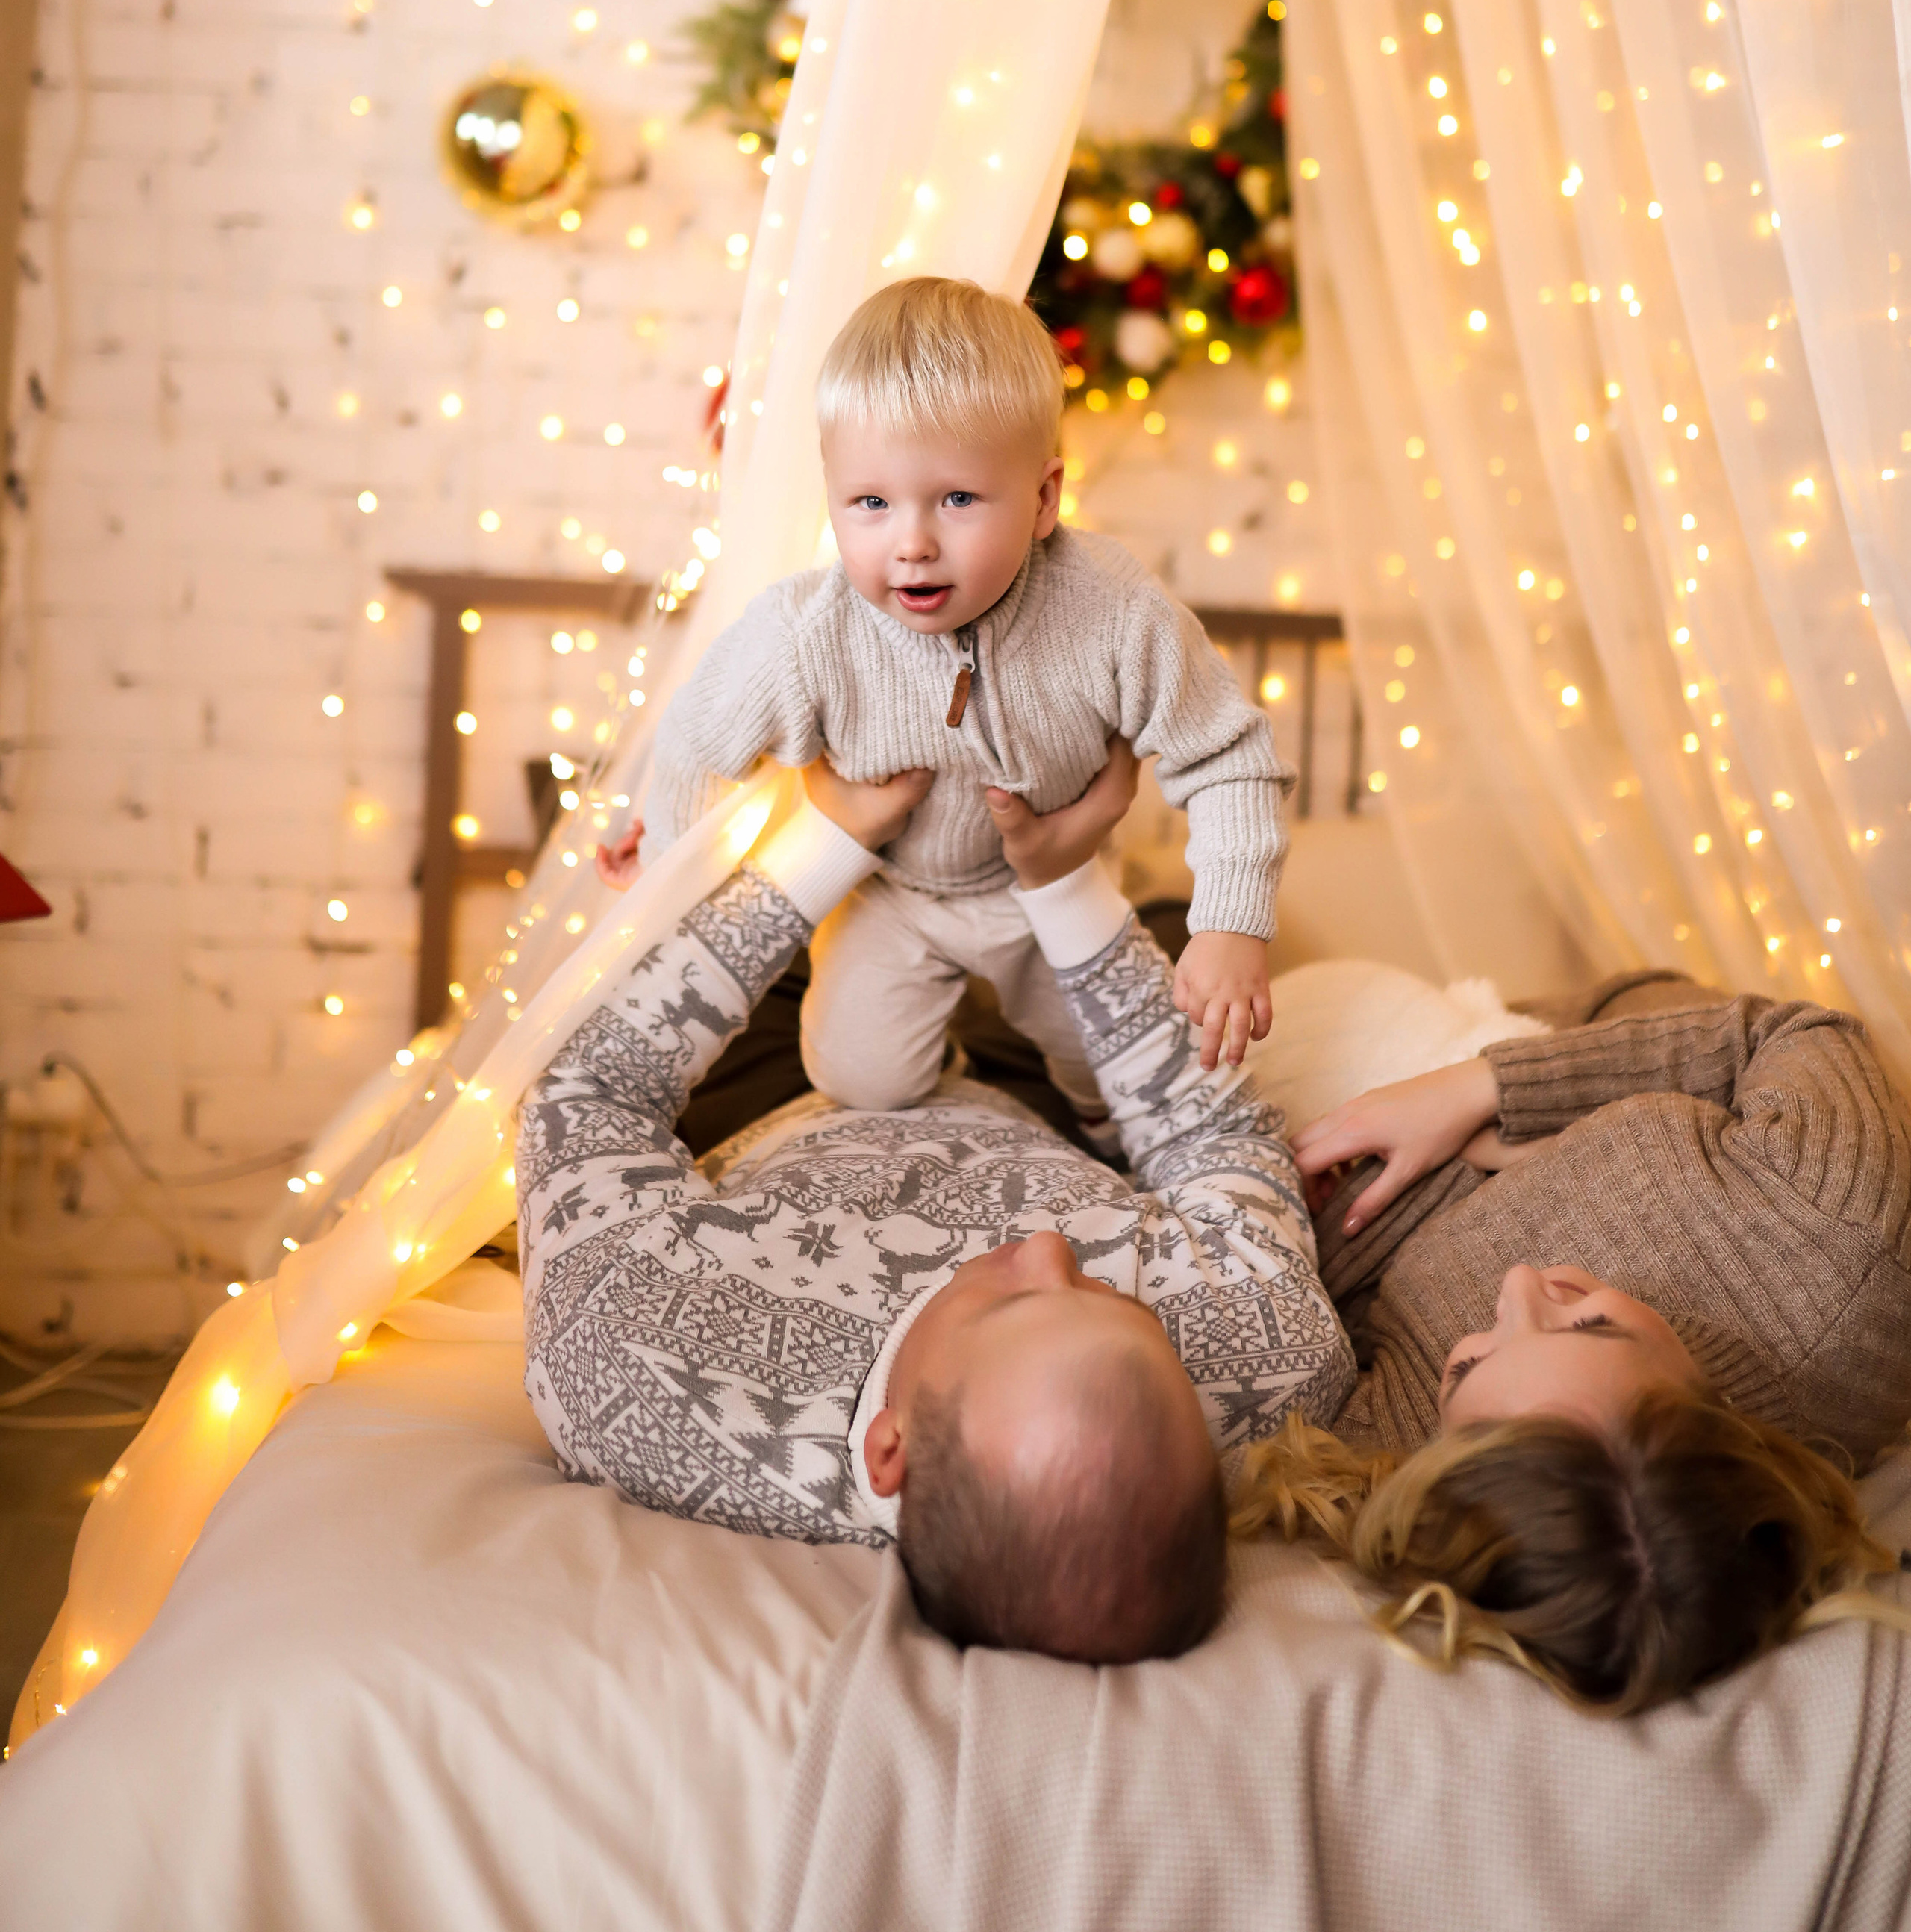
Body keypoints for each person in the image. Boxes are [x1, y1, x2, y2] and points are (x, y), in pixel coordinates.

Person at [517, 747, 1352, 1667]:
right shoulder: (1268, 1361)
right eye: (1112, 1293)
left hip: (776, 1101)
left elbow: (589, 1090)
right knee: (1168, 934)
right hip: (1043, 1108)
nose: (1044, 1244)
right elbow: (1220, 1137)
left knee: (729, 861)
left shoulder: (639, 1358)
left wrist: (827, 843)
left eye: (1012, 1300)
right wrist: (1064, 882)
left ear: (888, 1449)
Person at [617, 277, 1292, 1124]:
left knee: (1110, 1077)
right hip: (893, 894)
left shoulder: (1112, 612)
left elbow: (1228, 755)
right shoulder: (804, 634)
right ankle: (950, 1067)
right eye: (869, 503)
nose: (912, 545)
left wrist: (1231, 925)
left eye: (958, 500)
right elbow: (696, 742)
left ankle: (1090, 1124)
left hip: (1052, 887)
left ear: (1044, 498)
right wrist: (667, 872)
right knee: (861, 1081)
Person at [1229, 974, 1911, 1712]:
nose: (1518, 1284)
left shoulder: (1383, 1448)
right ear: (1721, 1417)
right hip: (1536, 1017)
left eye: (1471, 1361)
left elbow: (1300, 1301)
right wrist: (1488, 1088)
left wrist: (1316, 1203)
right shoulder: (1841, 1248)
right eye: (1592, 1322)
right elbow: (1787, 1034)